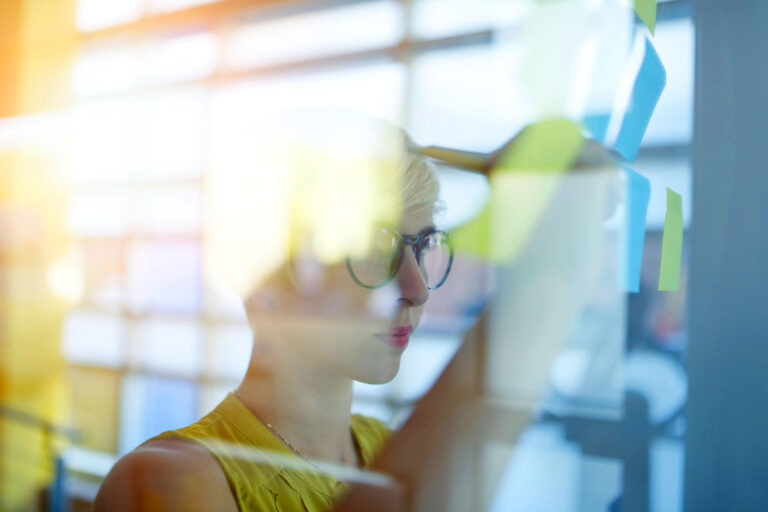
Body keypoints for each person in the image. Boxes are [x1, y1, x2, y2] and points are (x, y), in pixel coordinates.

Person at [94, 115, 452, 511]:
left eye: (423, 248)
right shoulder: (169, 483)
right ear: (265, 275)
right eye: (373, 251)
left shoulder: (389, 449)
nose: (417, 290)